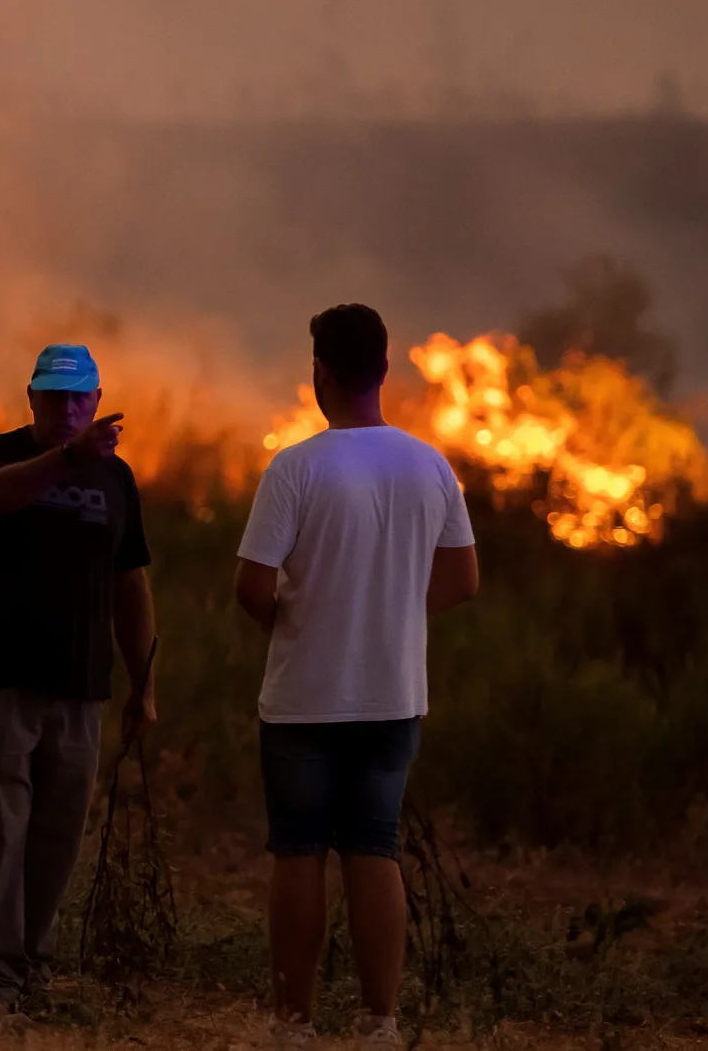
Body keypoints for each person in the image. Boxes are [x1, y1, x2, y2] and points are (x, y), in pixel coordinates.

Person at [234, 304, 480, 1048]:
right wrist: (400, 615)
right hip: (391, 695)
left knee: (300, 850)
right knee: (375, 848)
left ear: (322, 373)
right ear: (383, 367)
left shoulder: (298, 467)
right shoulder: (430, 464)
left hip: (306, 696)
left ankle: (294, 1022)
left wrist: (294, 620)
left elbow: (251, 584)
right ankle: (380, 1022)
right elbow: (465, 578)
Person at [0, 343, 157, 1016]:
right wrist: (68, 458)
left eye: (77, 397)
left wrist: (142, 681)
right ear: (30, 398)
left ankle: (31, 969)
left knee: (58, 831)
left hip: (79, 685)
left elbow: (132, 581)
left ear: (96, 400)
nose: (66, 409)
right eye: (52, 396)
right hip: (0, 676)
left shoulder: (117, 481)